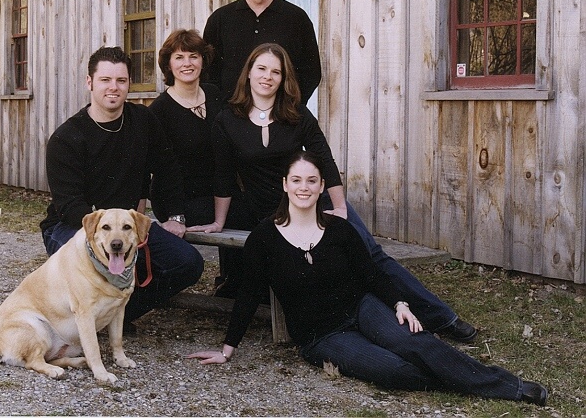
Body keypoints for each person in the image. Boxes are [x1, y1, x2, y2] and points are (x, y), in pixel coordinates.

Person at [187, 151, 548, 407]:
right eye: (296, 180)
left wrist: (400, 303)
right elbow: (249, 293)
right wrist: (227, 349)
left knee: (419, 345)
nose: (304, 187)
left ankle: (510, 387)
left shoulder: (340, 229)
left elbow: (372, 274)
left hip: (362, 308)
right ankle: (462, 380)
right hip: (322, 336)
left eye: (311, 181)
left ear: (322, 186)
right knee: (393, 371)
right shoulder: (264, 238)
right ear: (285, 184)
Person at [188, 43, 477, 342]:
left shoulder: (296, 114)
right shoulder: (227, 120)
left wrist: (340, 208)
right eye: (261, 68)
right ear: (248, 72)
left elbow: (324, 160)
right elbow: (223, 176)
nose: (267, 77)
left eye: (276, 72)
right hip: (276, 211)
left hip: (317, 199)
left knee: (370, 253)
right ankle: (375, 316)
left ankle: (442, 318)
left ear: (283, 79)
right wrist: (219, 221)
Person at [40, 45, 204, 326]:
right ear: (90, 82)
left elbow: (167, 168)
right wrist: (107, 238)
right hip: (74, 225)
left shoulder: (142, 120)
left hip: (126, 223)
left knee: (188, 263)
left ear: (129, 83)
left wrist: (175, 216)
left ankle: (118, 316)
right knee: (94, 269)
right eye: (105, 80)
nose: (113, 87)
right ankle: (82, 319)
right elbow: (70, 206)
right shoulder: (67, 138)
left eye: (121, 80)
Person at [148, 29, 253, 229]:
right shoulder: (159, 111)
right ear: (168, 64)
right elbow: (164, 170)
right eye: (179, 57)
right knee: (243, 217)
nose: (187, 63)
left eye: (193, 56)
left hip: (219, 194)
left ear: (203, 61)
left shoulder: (214, 95)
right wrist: (176, 216)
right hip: (180, 202)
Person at [203, 0, 321, 105]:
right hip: (231, 115)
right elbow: (208, 71)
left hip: (281, 115)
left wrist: (290, 107)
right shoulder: (220, 19)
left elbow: (311, 72)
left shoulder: (296, 18)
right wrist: (223, 110)